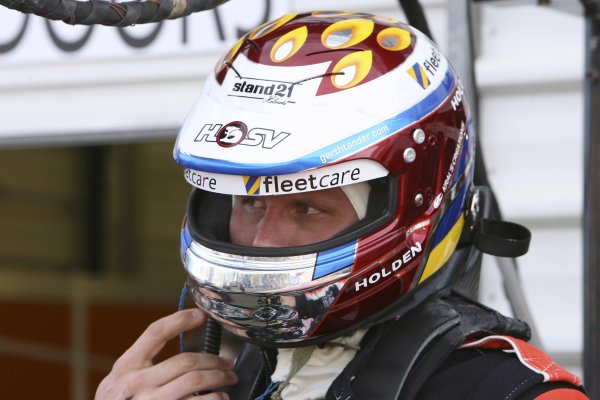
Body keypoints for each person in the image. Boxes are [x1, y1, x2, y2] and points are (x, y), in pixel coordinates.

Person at [95, 11, 589, 400]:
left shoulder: (505, 392)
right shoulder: (220, 380)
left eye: (306, 208)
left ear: (412, 207)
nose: (263, 240)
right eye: (248, 202)